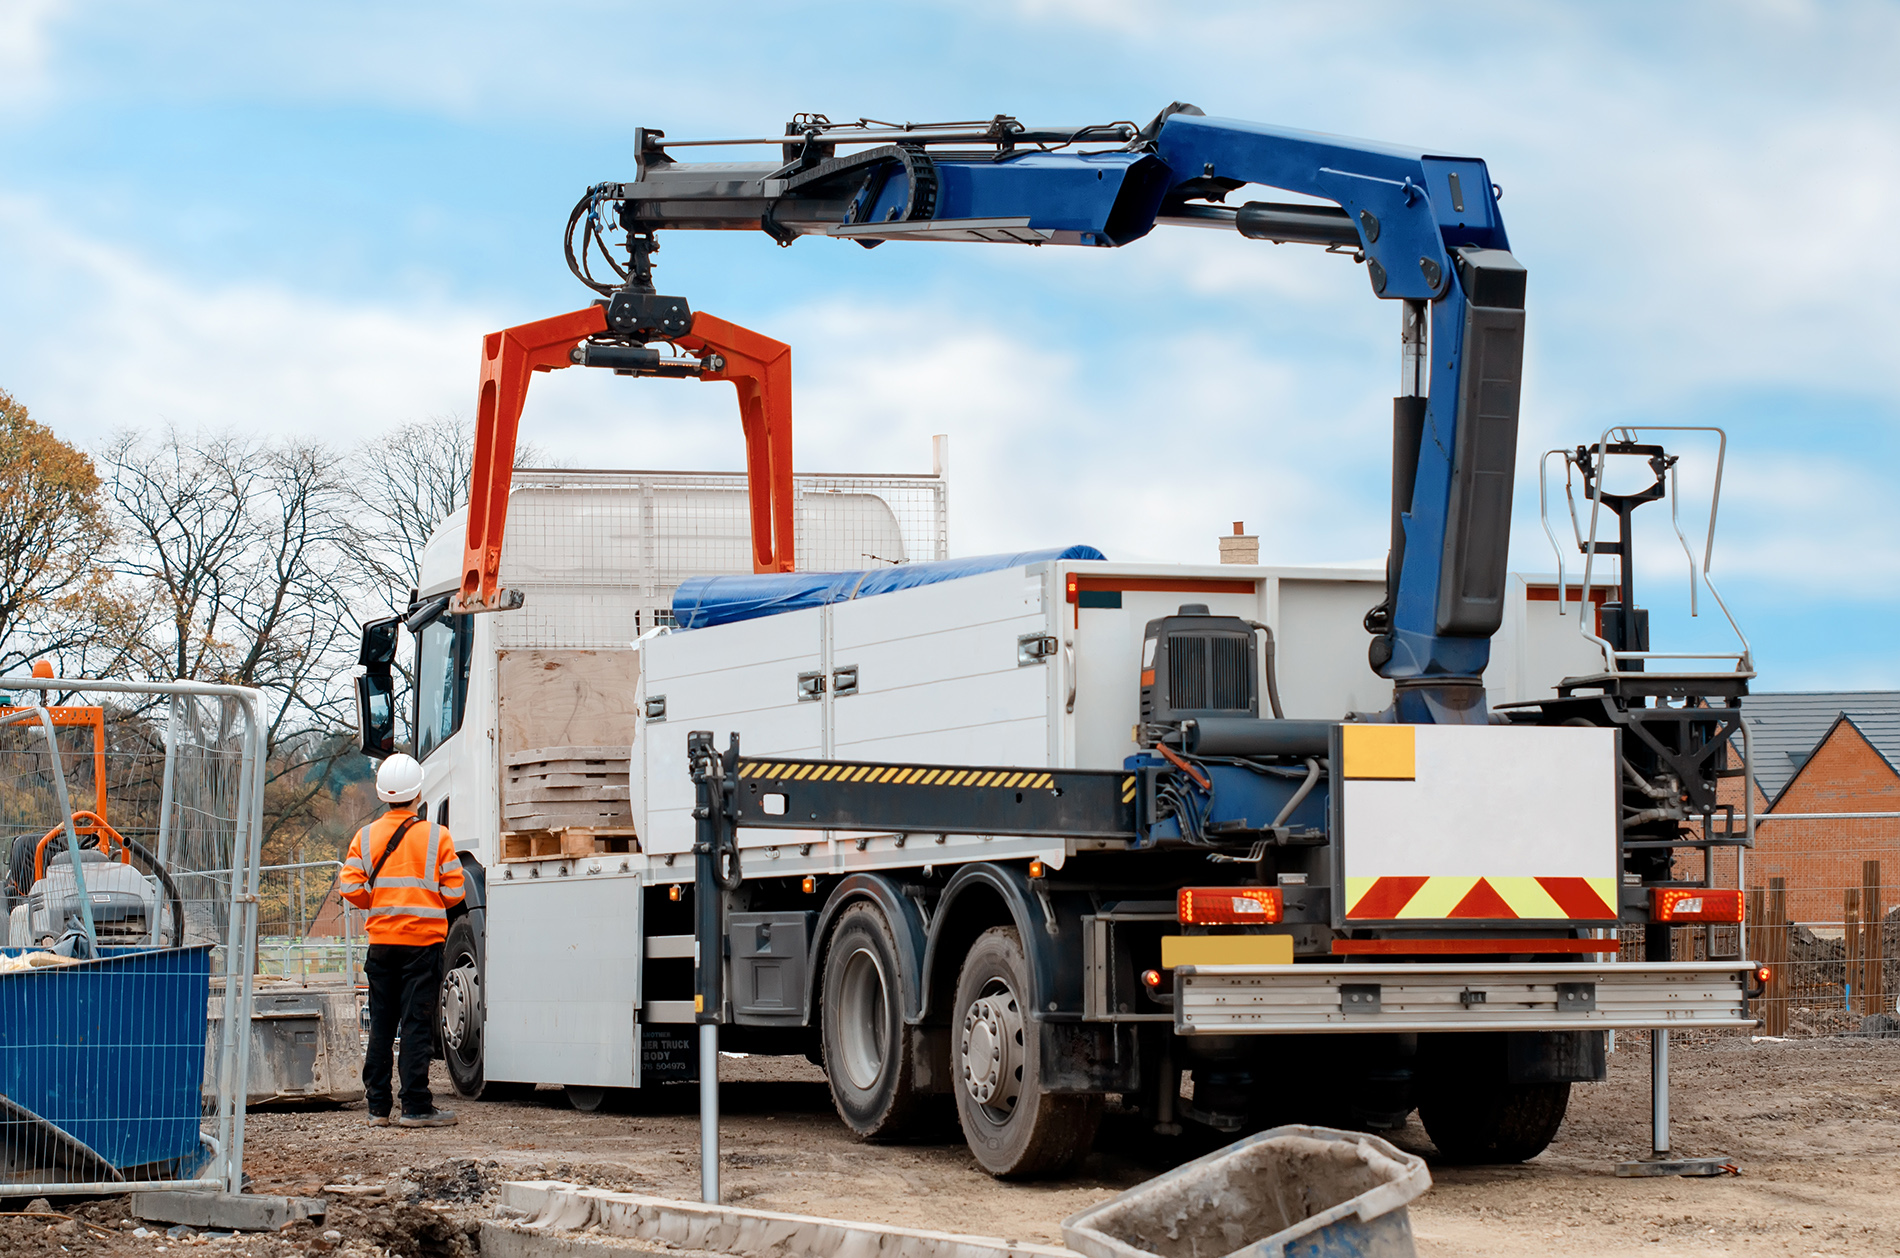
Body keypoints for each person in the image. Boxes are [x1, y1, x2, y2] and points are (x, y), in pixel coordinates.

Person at [339, 753, 464, 1127]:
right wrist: (427, 902)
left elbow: (349, 886)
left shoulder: (365, 836)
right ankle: (415, 1106)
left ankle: (377, 1107)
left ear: (382, 793)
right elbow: (455, 892)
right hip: (423, 945)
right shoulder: (437, 836)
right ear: (418, 792)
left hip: (382, 943)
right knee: (415, 1024)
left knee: (381, 1023)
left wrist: (376, 902)